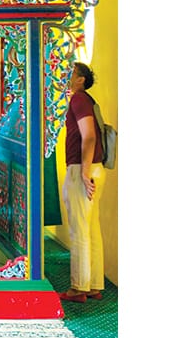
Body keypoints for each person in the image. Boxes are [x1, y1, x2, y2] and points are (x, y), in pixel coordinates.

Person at [59, 61, 106, 303]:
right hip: (95, 169)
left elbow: (88, 137)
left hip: (82, 170)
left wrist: (84, 173)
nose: (67, 76)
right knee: (91, 229)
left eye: (71, 73)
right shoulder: (87, 100)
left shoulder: (78, 100)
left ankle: (78, 288)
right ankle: (93, 284)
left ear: (80, 80)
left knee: (79, 230)